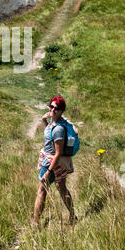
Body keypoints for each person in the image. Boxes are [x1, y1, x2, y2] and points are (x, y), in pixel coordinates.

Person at [32, 95, 77, 228]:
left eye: (56, 108)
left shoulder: (58, 129)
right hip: (56, 162)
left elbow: (57, 153)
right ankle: (73, 216)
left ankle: (35, 223)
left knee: (41, 190)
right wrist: (44, 120)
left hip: (51, 163)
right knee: (61, 188)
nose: (52, 110)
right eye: (51, 106)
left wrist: (48, 172)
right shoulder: (54, 123)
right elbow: (48, 136)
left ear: (61, 111)